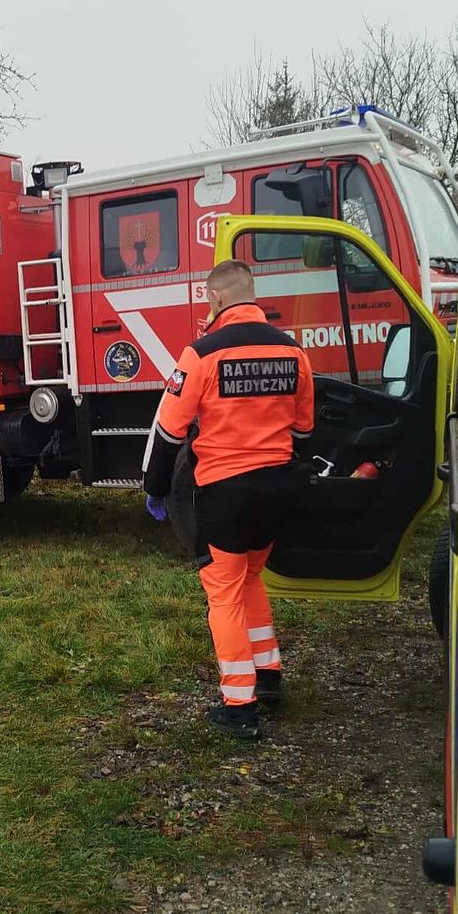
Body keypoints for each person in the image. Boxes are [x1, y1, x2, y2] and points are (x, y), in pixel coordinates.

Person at [142, 260, 315, 740]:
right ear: (252, 295)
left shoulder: (200, 354)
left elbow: (169, 430)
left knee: (223, 595)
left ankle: (239, 705)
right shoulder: (293, 351)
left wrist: (155, 487)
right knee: (250, 578)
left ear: (215, 299)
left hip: (225, 494)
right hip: (276, 492)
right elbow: (305, 429)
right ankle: (268, 675)